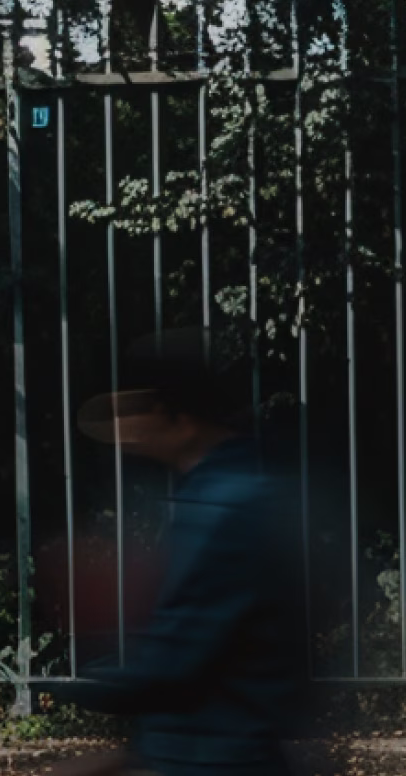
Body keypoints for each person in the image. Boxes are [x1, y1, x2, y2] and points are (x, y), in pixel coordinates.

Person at [58, 329, 306, 776]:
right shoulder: (226, 488)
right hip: (208, 750)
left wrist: (78, 685)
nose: (125, 430)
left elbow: (180, 660)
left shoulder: (222, 506)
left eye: (133, 411)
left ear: (171, 413)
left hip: (217, 760)